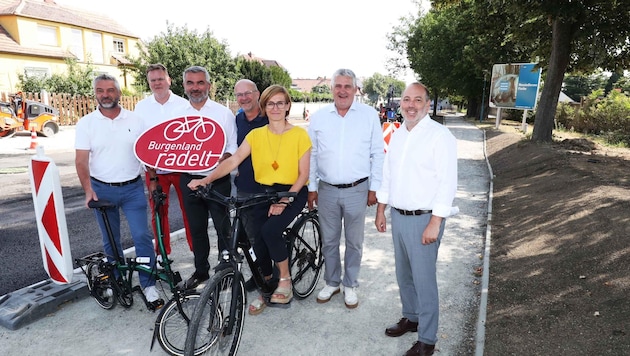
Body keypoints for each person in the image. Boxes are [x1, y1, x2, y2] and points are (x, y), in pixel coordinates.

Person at [188, 85, 310, 315]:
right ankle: (267, 286)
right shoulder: (256, 135)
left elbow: (303, 174)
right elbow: (233, 160)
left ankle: (284, 279)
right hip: (264, 190)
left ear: (287, 106)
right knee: (256, 240)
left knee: (271, 231)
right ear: (264, 106)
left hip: (292, 191)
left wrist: (284, 201)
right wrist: (207, 179)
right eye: (271, 103)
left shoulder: (299, 135)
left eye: (280, 103)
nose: (275, 108)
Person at [375, 82, 458, 356]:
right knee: (404, 275)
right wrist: (381, 209)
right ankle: (411, 317)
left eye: (417, 100)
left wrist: (435, 222)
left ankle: (428, 339)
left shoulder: (439, 135)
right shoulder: (398, 133)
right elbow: (388, 173)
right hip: (399, 216)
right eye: (406, 99)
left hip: (425, 219)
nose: (410, 105)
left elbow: (447, 182)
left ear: (427, 104)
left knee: (424, 281)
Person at [74, 74, 163, 309]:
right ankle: (116, 280)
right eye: (101, 90)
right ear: (95, 93)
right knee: (111, 242)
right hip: (102, 190)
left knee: (142, 237)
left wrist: (152, 181)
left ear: (119, 93)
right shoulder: (86, 123)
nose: (106, 94)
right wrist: (87, 190)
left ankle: (148, 284)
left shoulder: (136, 120)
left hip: (133, 188)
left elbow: (147, 154)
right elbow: (81, 161)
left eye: (110, 90)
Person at [307, 68, 384, 309]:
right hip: (326, 189)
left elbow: (377, 154)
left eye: (347, 86)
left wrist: (375, 188)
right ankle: (332, 281)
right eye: (338, 86)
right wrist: (312, 187)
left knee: (354, 242)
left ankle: (350, 283)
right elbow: (312, 155)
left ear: (355, 89)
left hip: (357, 189)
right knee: (329, 240)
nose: (342, 91)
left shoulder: (369, 115)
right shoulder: (319, 118)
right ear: (332, 89)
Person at [176, 66, 238, 290]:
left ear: (209, 86)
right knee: (196, 228)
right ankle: (201, 271)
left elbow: (233, 147)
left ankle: (225, 271)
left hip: (217, 180)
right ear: (184, 86)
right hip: (189, 180)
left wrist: (218, 163)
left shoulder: (223, 113)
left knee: (223, 228)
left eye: (200, 83)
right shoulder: (177, 114)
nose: (195, 87)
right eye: (190, 83)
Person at [133, 63, 192, 255]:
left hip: (181, 169)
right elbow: (138, 139)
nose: (157, 83)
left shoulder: (185, 105)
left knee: (190, 212)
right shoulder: (141, 107)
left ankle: (196, 250)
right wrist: (149, 169)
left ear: (169, 80)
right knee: (158, 213)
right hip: (154, 170)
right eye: (153, 80)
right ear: (149, 83)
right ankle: (162, 254)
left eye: (160, 79)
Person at [233, 79, 269, 292]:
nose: (244, 98)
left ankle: (269, 274)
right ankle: (261, 272)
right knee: (249, 236)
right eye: (240, 95)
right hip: (245, 186)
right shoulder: (237, 120)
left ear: (257, 94)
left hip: (268, 187)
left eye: (248, 93)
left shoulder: (268, 119)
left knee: (267, 234)